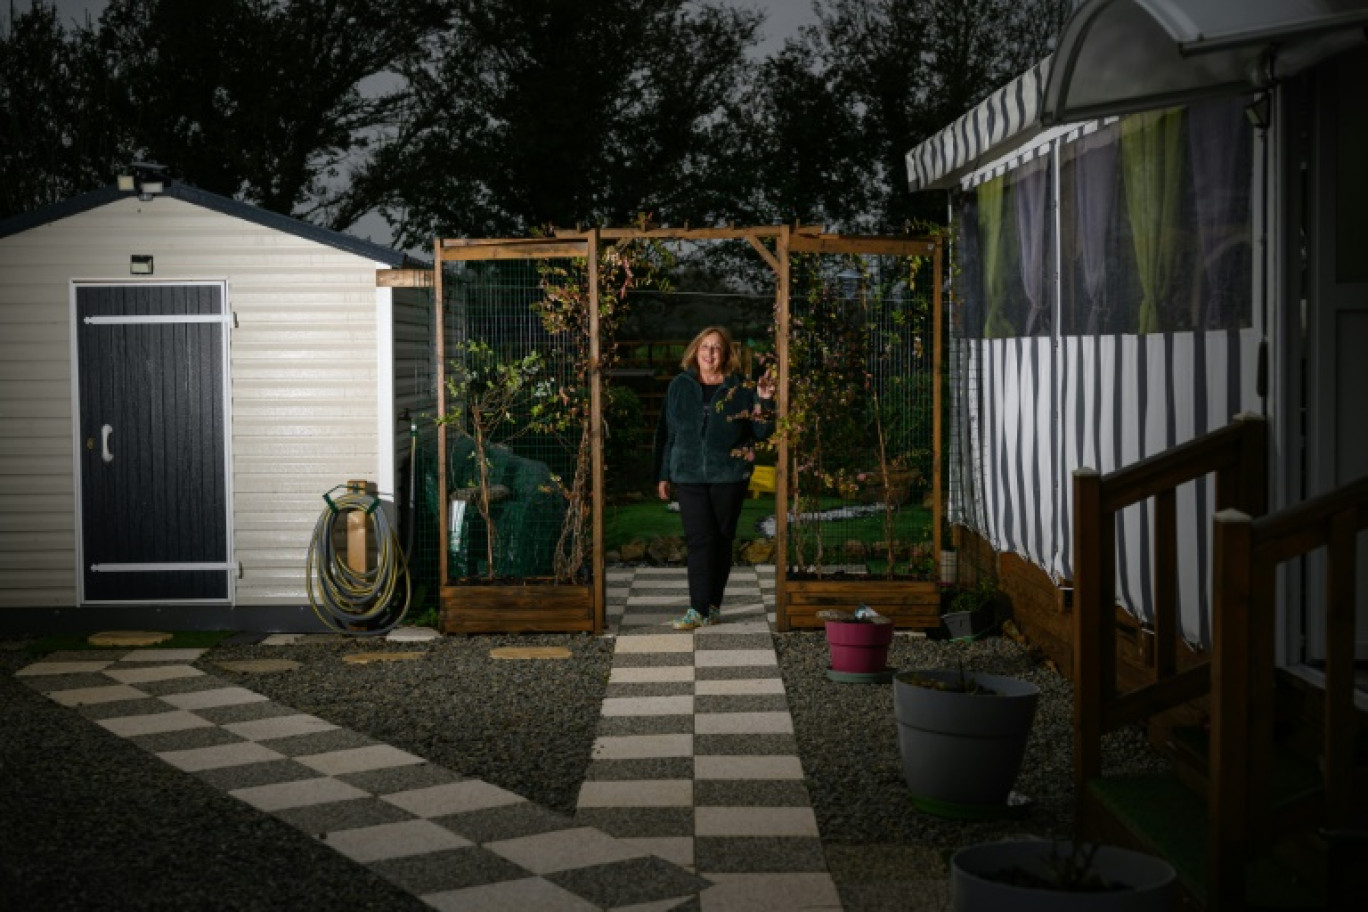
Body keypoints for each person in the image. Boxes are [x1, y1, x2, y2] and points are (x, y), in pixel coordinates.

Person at [653, 326, 775, 630]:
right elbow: (667, 432)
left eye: (716, 348)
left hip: (729, 475)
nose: (710, 353)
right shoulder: (679, 386)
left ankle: (712, 606)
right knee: (699, 540)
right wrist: (663, 473)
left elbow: (761, 432)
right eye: (705, 347)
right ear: (695, 351)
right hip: (688, 474)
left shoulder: (741, 389)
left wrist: (764, 401)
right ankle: (696, 609)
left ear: (726, 353)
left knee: (721, 541)